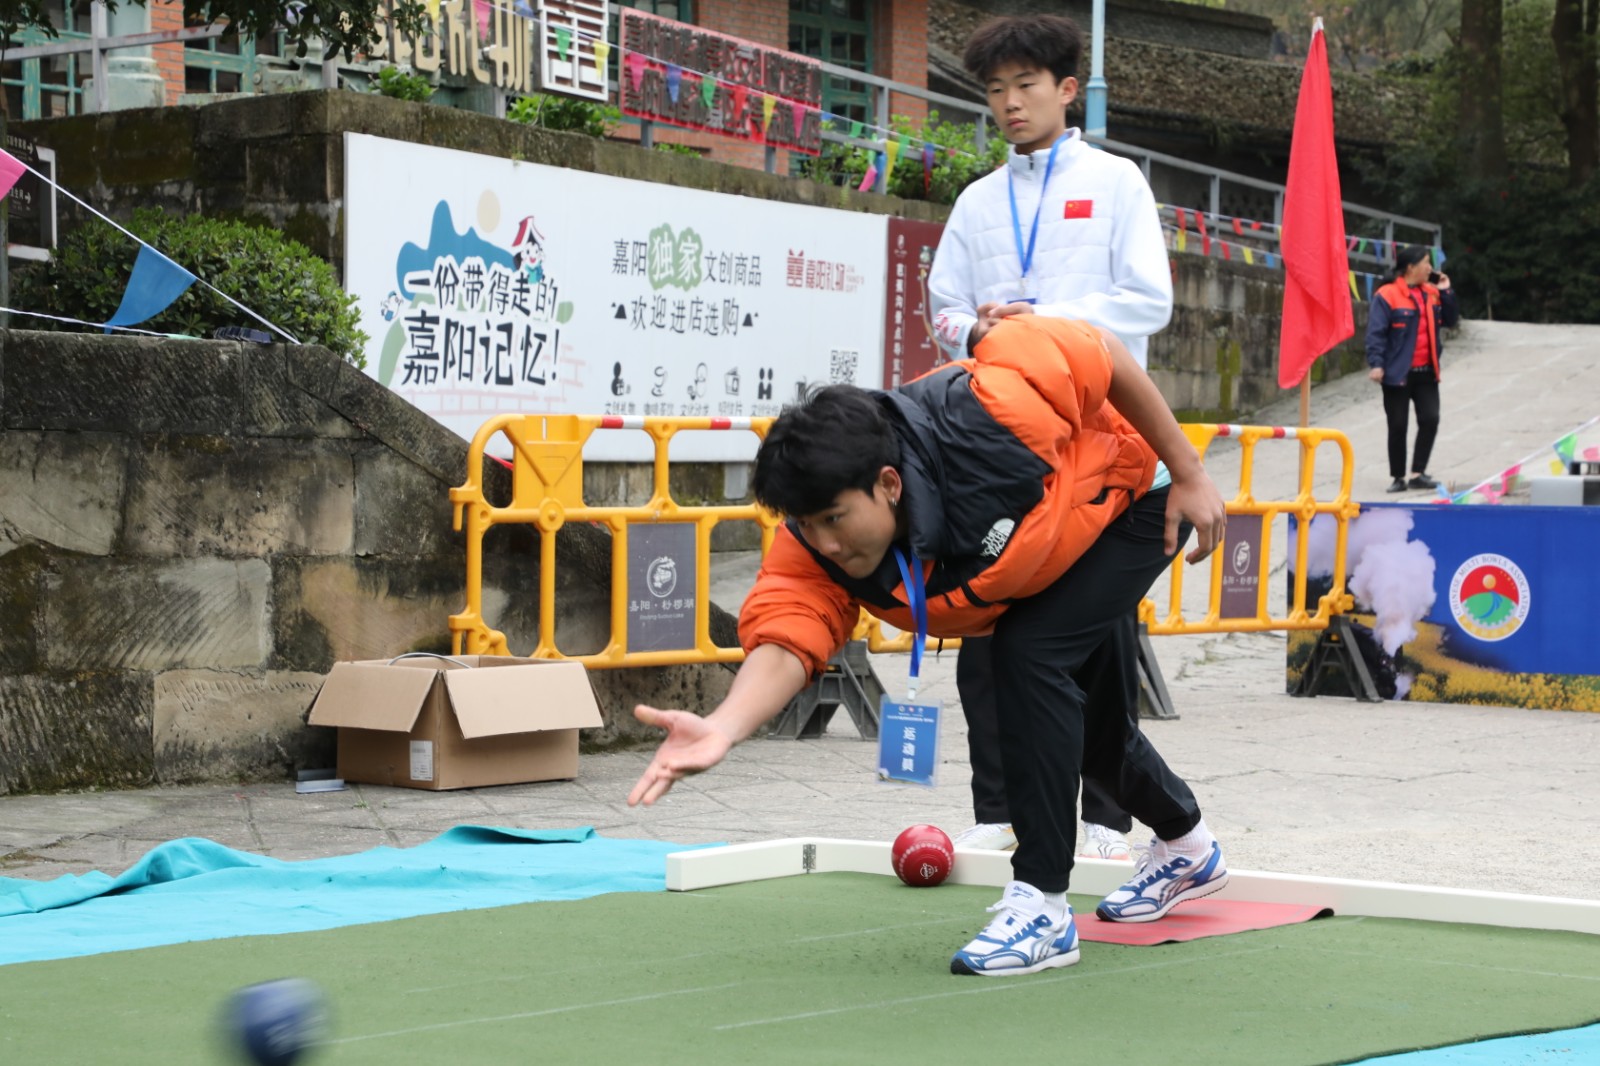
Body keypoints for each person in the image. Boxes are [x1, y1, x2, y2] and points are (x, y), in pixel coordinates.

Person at [628, 315, 1230, 977]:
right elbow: (787, 631)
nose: (825, 543)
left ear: (888, 484)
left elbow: (1104, 352)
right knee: (1090, 728)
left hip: (1133, 501)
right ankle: (1188, 847)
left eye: (834, 519)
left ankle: (1043, 905)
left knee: (1026, 656)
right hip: (1046, 553)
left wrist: (1189, 469)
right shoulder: (814, 549)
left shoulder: (997, 409)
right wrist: (723, 726)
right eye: (806, 525)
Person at [926, 12, 1175, 861]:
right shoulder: (976, 201)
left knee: (1095, 630)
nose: (1010, 103)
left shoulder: (1117, 183)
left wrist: (1046, 321)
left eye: (1026, 86)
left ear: (1068, 90)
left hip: (1101, 435)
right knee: (986, 613)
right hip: (997, 441)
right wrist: (977, 330)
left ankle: (1106, 816)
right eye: (996, 90)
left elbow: (1147, 301)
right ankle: (996, 808)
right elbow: (943, 310)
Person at [1366, 245, 1458, 493]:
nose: (1430, 268)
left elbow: (1451, 320)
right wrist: (1376, 363)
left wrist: (1446, 290)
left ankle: (1418, 473)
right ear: (1410, 267)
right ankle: (1398, 477)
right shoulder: (1387, 295)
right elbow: (1376, 333)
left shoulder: (1432, 293)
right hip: (1397, 373)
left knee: (1430, 418)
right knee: (1398, 425)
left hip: (1426, 371)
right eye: (1426, 263)